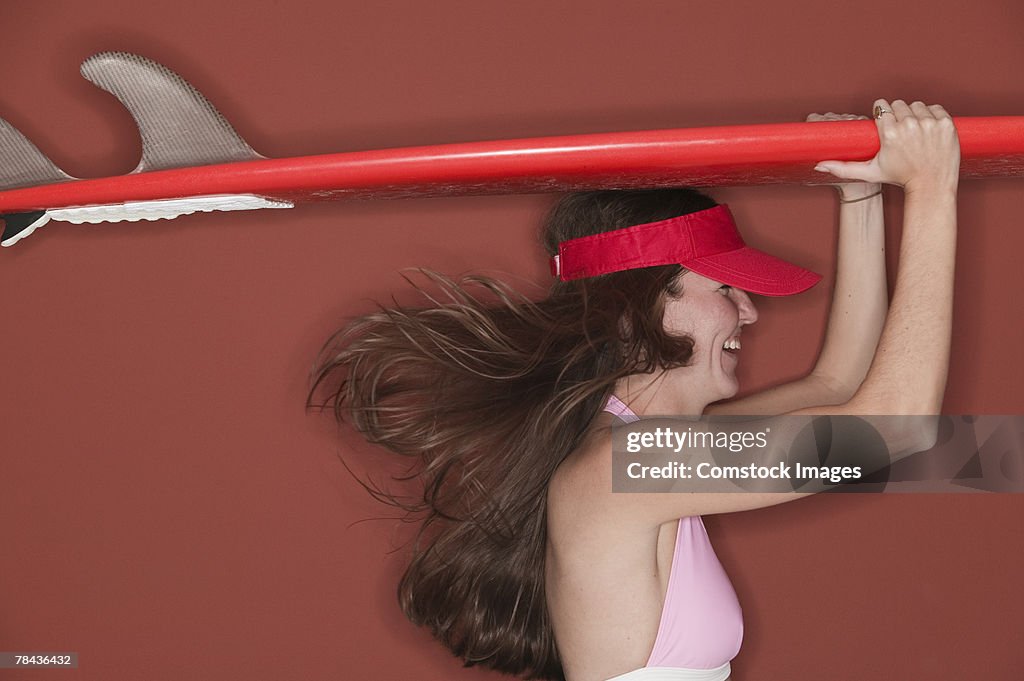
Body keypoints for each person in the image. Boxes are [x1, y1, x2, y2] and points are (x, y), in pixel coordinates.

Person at [306, 99, 960, 681]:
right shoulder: (631, 465)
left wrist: (861, 194)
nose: (751, 313)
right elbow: (890, 433)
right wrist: (932, 187)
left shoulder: (647, 449)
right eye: (725, 289)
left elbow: (838, 381)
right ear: (647, 304)